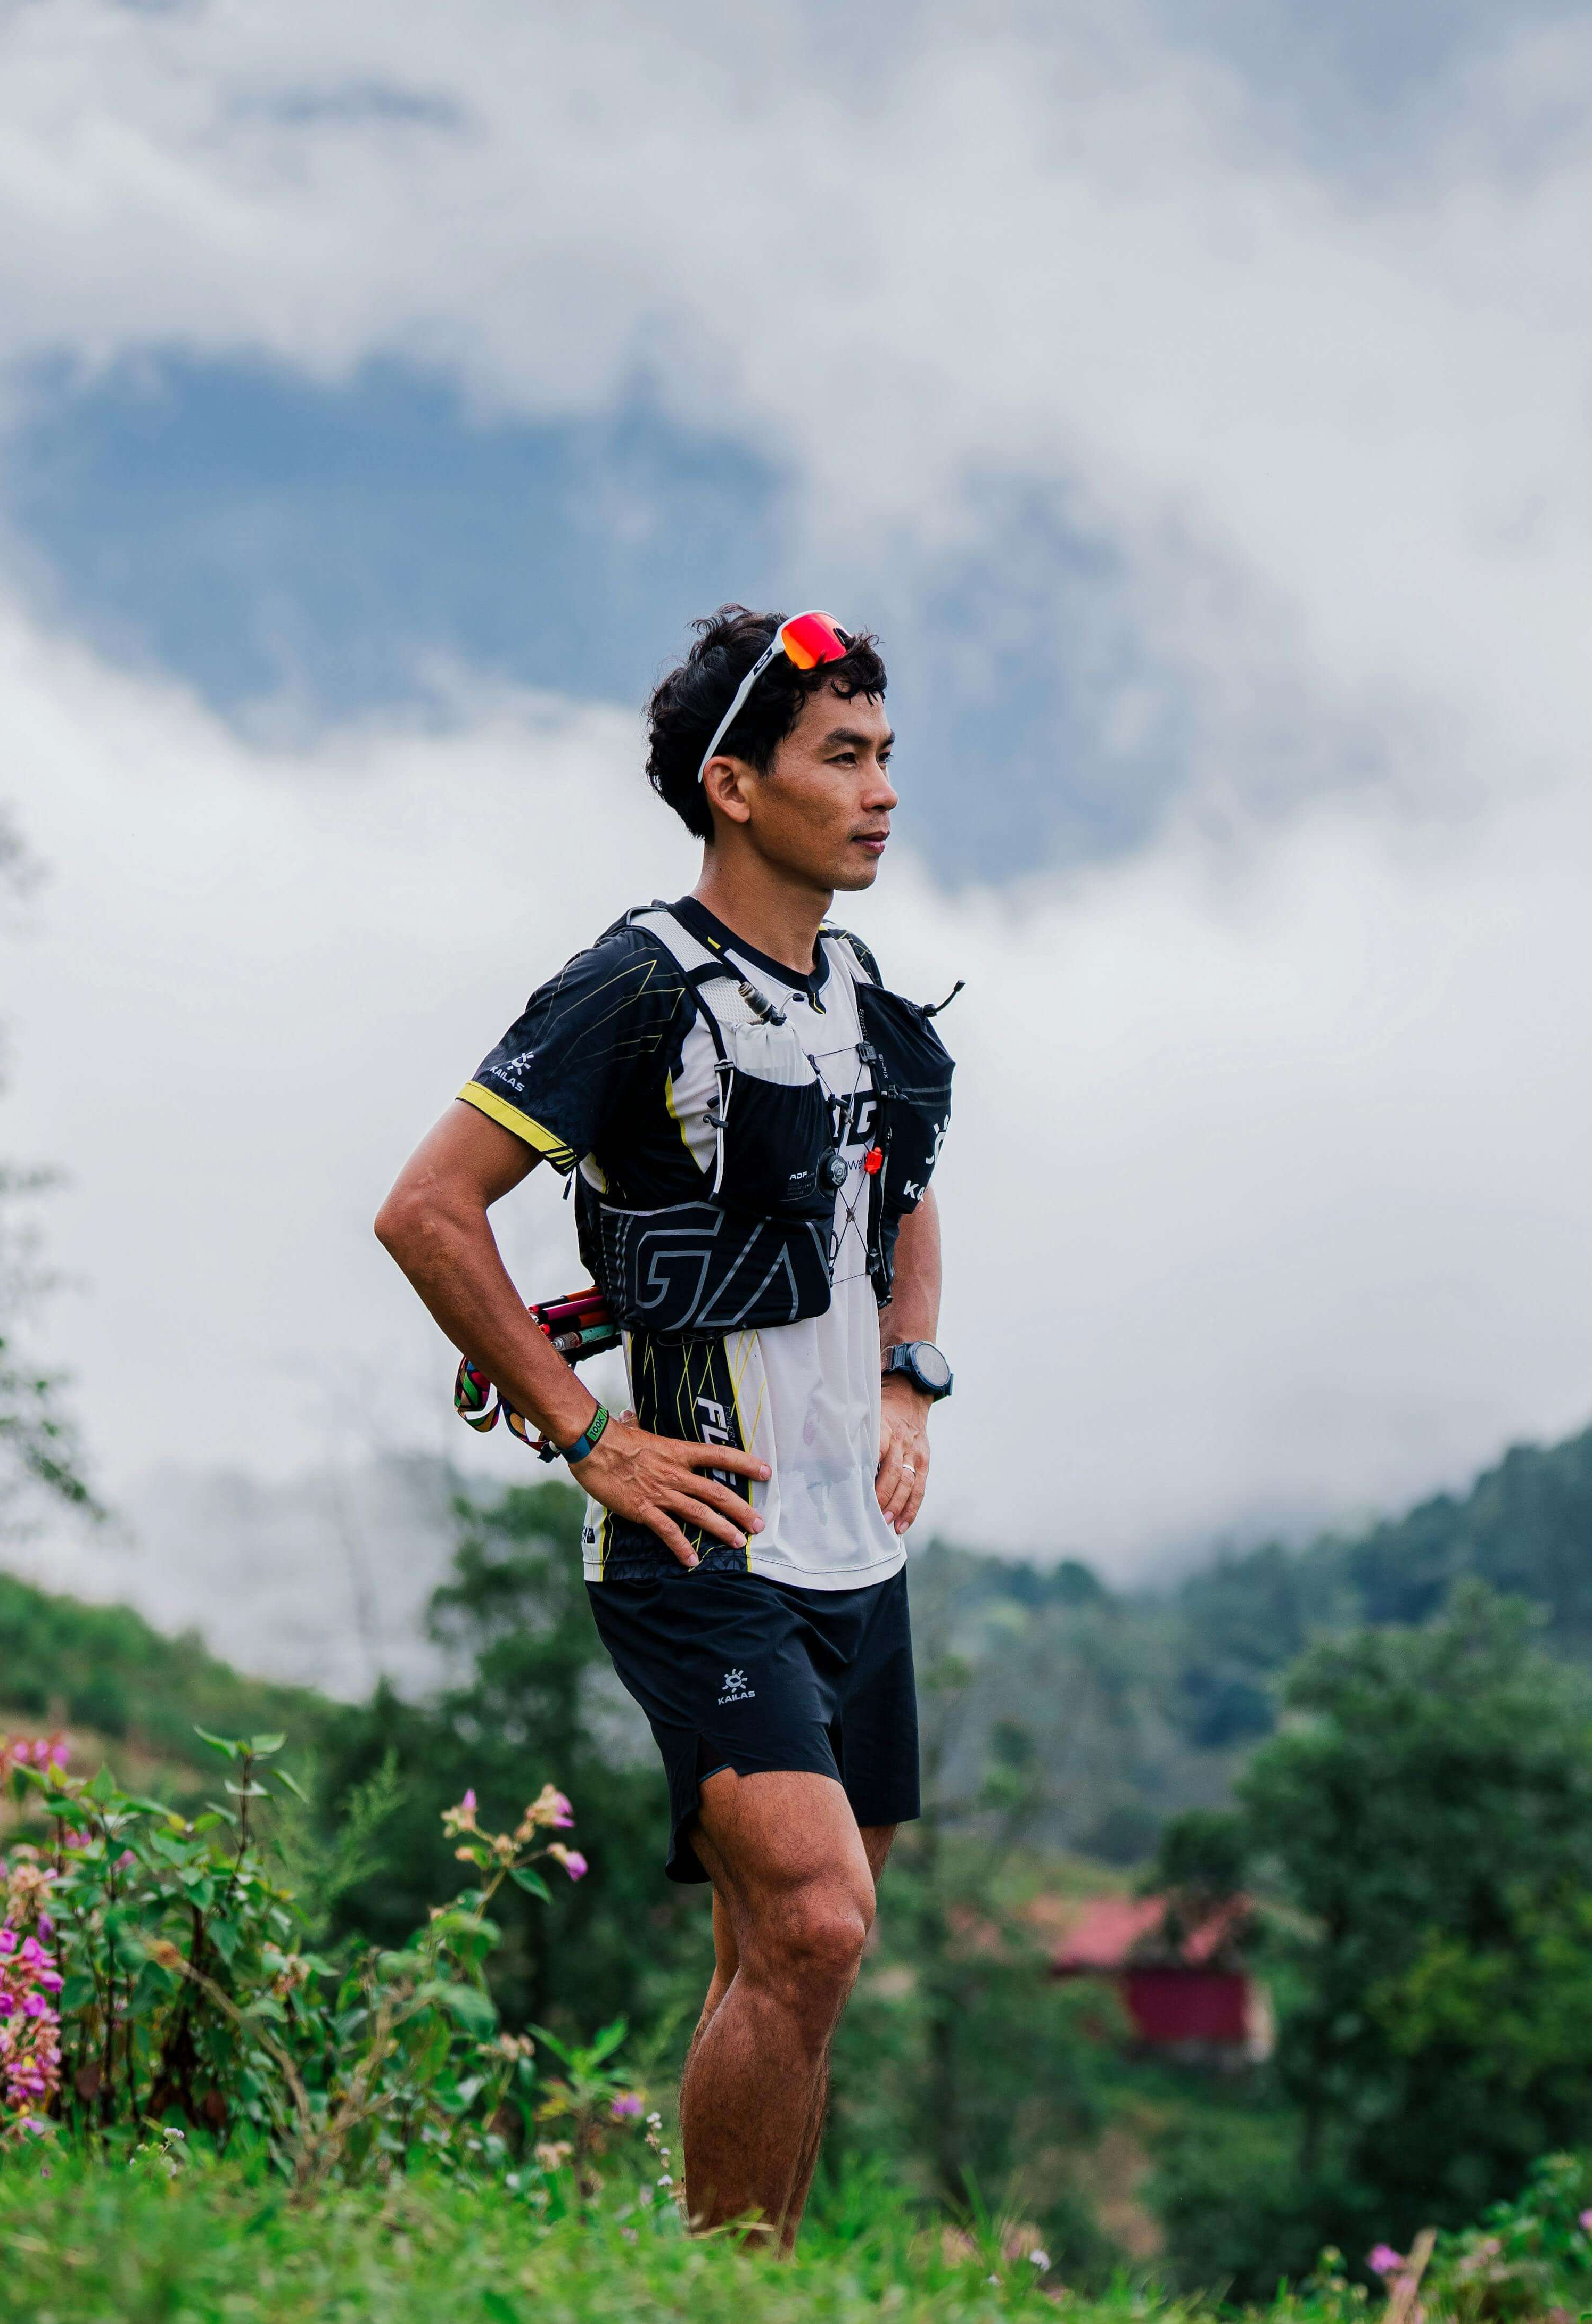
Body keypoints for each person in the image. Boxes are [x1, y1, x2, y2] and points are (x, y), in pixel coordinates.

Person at [372, 605, 960, 2246]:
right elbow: (428, 1210)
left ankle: (732, 2279)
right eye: (841, 758)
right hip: (700, 1543)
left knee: (787, 1959)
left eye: (886, 756)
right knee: (821, 1924)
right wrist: (588, 1435)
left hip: (857, 1557)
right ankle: (726, 2285)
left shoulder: (862, 999)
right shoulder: (638, 986)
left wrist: (910, 1379)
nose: (882, 792)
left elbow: (904, 1193)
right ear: (734, 786)